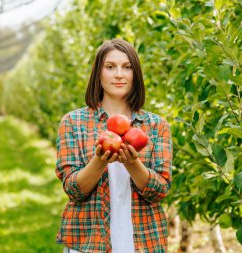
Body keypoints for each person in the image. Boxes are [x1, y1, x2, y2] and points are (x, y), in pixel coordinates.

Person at [55, 38, 173, 253]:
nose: (119, 74)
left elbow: (160, 191)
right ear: (98, 74)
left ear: (135, 75)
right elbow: (73, 190)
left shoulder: (156, 126)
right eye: (110, 67)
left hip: (142, 241)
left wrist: (133, 164)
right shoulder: (73, 122)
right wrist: (99, 161)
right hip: (89, 243)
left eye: (127, 67)